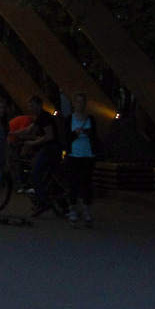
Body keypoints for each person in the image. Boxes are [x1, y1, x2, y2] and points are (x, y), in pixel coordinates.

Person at [64, 92, 99, 228]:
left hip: (88, 154)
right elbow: (66, 137)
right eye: (77, 102)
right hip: (74, 154)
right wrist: (75, 134)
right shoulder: (69, 120)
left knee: (87, 183)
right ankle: (72, 209)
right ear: (74, 103)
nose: (80, 104)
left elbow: (95, 136)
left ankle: (87, 210)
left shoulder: (91, 119)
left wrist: (89, 134)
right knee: (74, 183)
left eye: (82, 102)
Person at [21, 95, 60, 217]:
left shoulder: (45, 117)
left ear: (39, 105)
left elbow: (49, 136)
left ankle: (43, 202)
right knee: (40, 171)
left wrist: (32, 142)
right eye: (29, 106)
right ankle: (44, 197)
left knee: (35, 174)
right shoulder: (38, 117)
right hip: (48, 148)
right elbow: (29, 130)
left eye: (33, 105)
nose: (30, 108)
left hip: (51, 149)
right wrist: (12, 133)